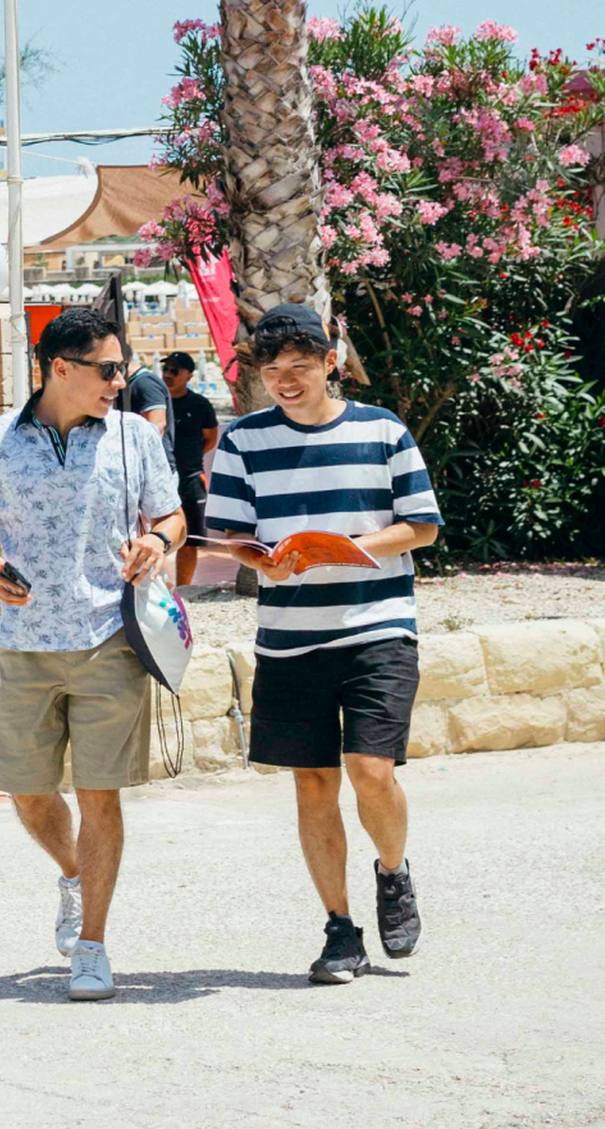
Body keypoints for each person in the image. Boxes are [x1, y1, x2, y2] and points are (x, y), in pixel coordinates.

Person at [0, 304, 184, 1003]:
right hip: (26, 647)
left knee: (101, 795)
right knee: (26, 788)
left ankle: (93, 947)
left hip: (111, 640)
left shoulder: (134, 437)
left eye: (123, 368)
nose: (120, 381)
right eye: (108, 370)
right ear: (60, 369)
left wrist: (158, 543)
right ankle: (75, 873)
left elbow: (173, 515)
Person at [203, 302, 441, 985]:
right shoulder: (243, 442)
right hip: (287, 640)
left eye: (299, 368)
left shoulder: (383, 431)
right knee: (313, 786)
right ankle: (340, 931)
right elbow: (230, 537)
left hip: (378, 628)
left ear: (331, 363)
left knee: (372, 772)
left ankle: (393, 874)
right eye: (273, 371)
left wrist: (346, 552)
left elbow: (420, 526)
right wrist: (262, 561)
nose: (284, 381)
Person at [160, 352, 221, 540]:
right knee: (158, 535)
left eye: (175, 370)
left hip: (191, 478)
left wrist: (192, 456)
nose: (168, 374)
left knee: (192, 539)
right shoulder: (155, 402)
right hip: (160, 478)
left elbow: (210, 438)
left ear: (189, 376)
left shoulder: (199, 404)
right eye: (165, 369)